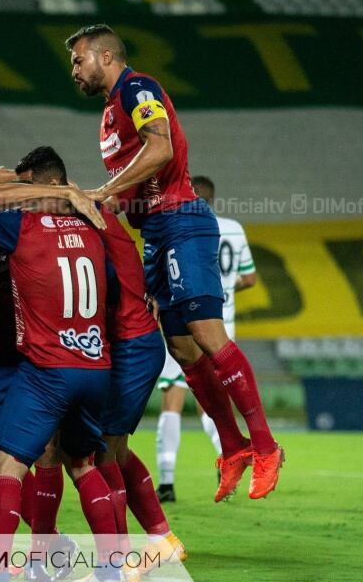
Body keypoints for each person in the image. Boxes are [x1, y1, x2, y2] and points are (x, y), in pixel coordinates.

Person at [65, 24, 283, 501]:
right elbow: (132, 187)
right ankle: (233, 446)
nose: (74, 71)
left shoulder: (138, 89)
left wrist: (102, 193)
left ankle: (266, 446)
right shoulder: (107, 116)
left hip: (182, 220)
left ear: (106, 56)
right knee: (183, 352)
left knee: (207, 335)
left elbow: (160, 147)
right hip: (156, 233)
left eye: (79, 60)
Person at [0, 148, 122, 582]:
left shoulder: (19, 224)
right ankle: (111, 570)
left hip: (45, 368)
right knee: (83, 463)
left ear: (37, 187)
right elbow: (111, 290)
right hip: (95, 365)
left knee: (5, 465)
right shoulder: (94, 224)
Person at [4, 147, 185, 577]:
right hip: (124, 341)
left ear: (51, 185)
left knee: (97, 452)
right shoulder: (85, 207)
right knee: (108, 449)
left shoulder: (81, 208)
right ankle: (160, 540)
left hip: (130, 344)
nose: (24, 198)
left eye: (29, 189)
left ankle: (122, 559)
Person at [155, 176, 259, 502]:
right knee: (212, 403)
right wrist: (225, 288)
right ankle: (230, 458)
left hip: (186, 324)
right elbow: (250, 278)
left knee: (172, 399)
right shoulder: (233, 228)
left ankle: (168, 481)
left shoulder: (179, 227)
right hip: (222, 326)